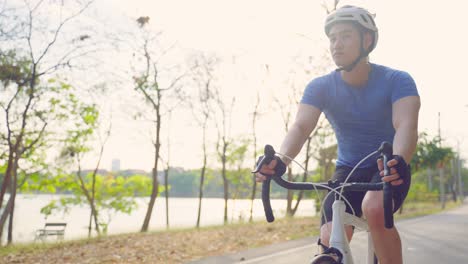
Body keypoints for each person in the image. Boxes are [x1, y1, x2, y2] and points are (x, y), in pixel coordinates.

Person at [255, 5, 420, 264]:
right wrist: (280, 160)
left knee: (374, 208)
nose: (336, 44)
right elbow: (300, 127)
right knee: (330, 233)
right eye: (332, 38)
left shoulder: (397, 80)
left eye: (345, 36)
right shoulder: (320, 87)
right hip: (347, 171)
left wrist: (397, 160)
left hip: (388, 166)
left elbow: (406, 125)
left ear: (367, 40)